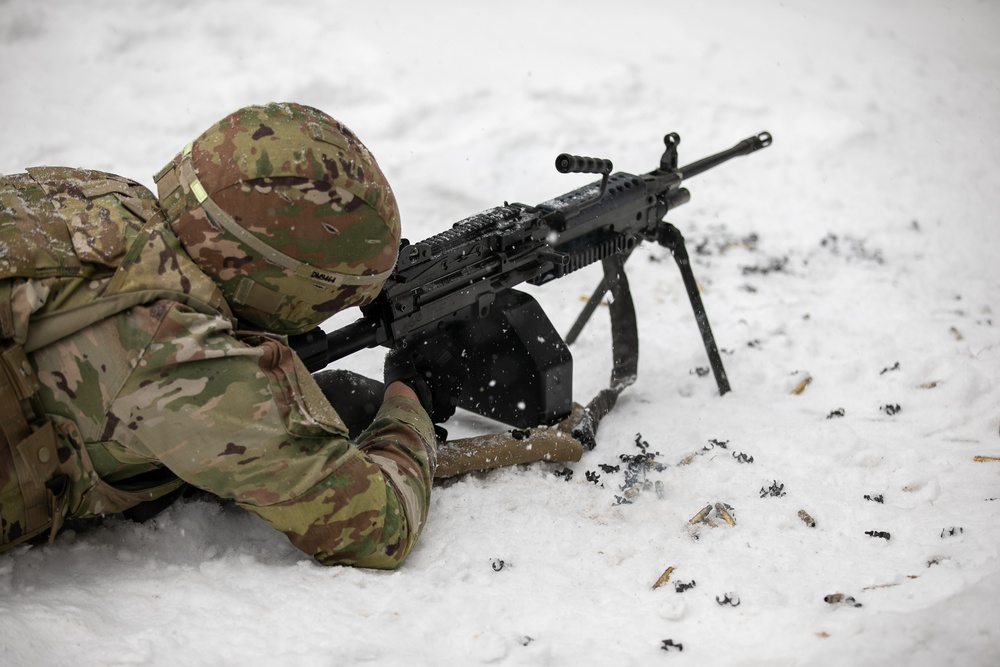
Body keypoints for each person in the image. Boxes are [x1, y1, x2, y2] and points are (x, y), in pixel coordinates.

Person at [0, 102, 437, 568]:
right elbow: (378, 528)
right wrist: (409, 401)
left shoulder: (96, 198)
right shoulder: (180, 353)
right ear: (285, 284)